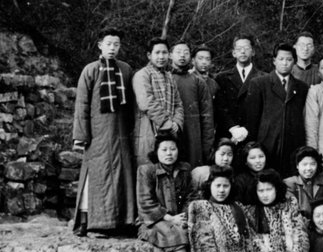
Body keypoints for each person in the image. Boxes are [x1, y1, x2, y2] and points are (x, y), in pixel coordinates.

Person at [72, 31, 136, 237]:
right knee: (96, 176)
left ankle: (121, 222)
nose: (112, 48)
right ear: (100, 45)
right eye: (108, 44)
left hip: (121, 132)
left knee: (121, 175)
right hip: (98, 133)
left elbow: (132, 105)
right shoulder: (90, 70)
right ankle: (90, 222)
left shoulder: (125, 70)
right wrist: (81, 136)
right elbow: (81, 104)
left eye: (116, 44)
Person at [136, 131, 200, 252]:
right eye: (164, 149)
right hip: (154, 220)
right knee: (176, 234)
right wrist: (169, 218)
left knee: (194, 233)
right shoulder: (146, 171)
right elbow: (145, 201)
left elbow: (191, 196)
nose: (169, 153)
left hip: (180, 218)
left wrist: (185, 216)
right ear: (156, 152)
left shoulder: (185, 169)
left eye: (173, 149)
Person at [247, 44, 309, 176]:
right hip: (266, 146)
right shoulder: (259, 84)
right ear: (274, 61)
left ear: (294, 61)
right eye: (281, 59)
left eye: (289, 59)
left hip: (292, 147)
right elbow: (252, 121)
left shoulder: (302, 87)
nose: (285, 63)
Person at [133, 38, 184, 167]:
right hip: (148, 129)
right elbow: (146, 103)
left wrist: (177, 122)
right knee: (149, 169)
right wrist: (167, 123)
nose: (161, 56)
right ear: (149, 55)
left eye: (164, 53)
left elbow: (178, 103)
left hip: (170, 132)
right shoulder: (142, 75)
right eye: (157, 53)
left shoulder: (169, 76)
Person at [170, 42, 215, 169]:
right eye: (178, 52)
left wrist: (207, 145)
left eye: (186, 52)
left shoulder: (197, 81)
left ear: (191, 57)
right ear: (170, 55)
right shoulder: (164, 78)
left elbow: (207, 116)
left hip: (193, 135)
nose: (182, 56)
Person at [215, 34, 262, 143]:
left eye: (246, 48)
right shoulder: (221, 78)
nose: (242, 52)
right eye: (239, 49)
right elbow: (219, 107)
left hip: (253, 134)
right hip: (229, 134)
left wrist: (247, 129)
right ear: (233, 53)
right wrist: (233, 128)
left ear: (253, 52)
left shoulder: (264, 78)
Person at [284, 146, 323, 218]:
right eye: (304, 164)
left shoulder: (322, 183)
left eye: (313, 164)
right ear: (297, 166)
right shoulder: (289, 184)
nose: (309, 168)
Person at [233, 140, 268, 206]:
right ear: (245, 161)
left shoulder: (272, 176)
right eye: (252, 158)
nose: (258, 161)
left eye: (261, 156)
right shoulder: (241, 180)